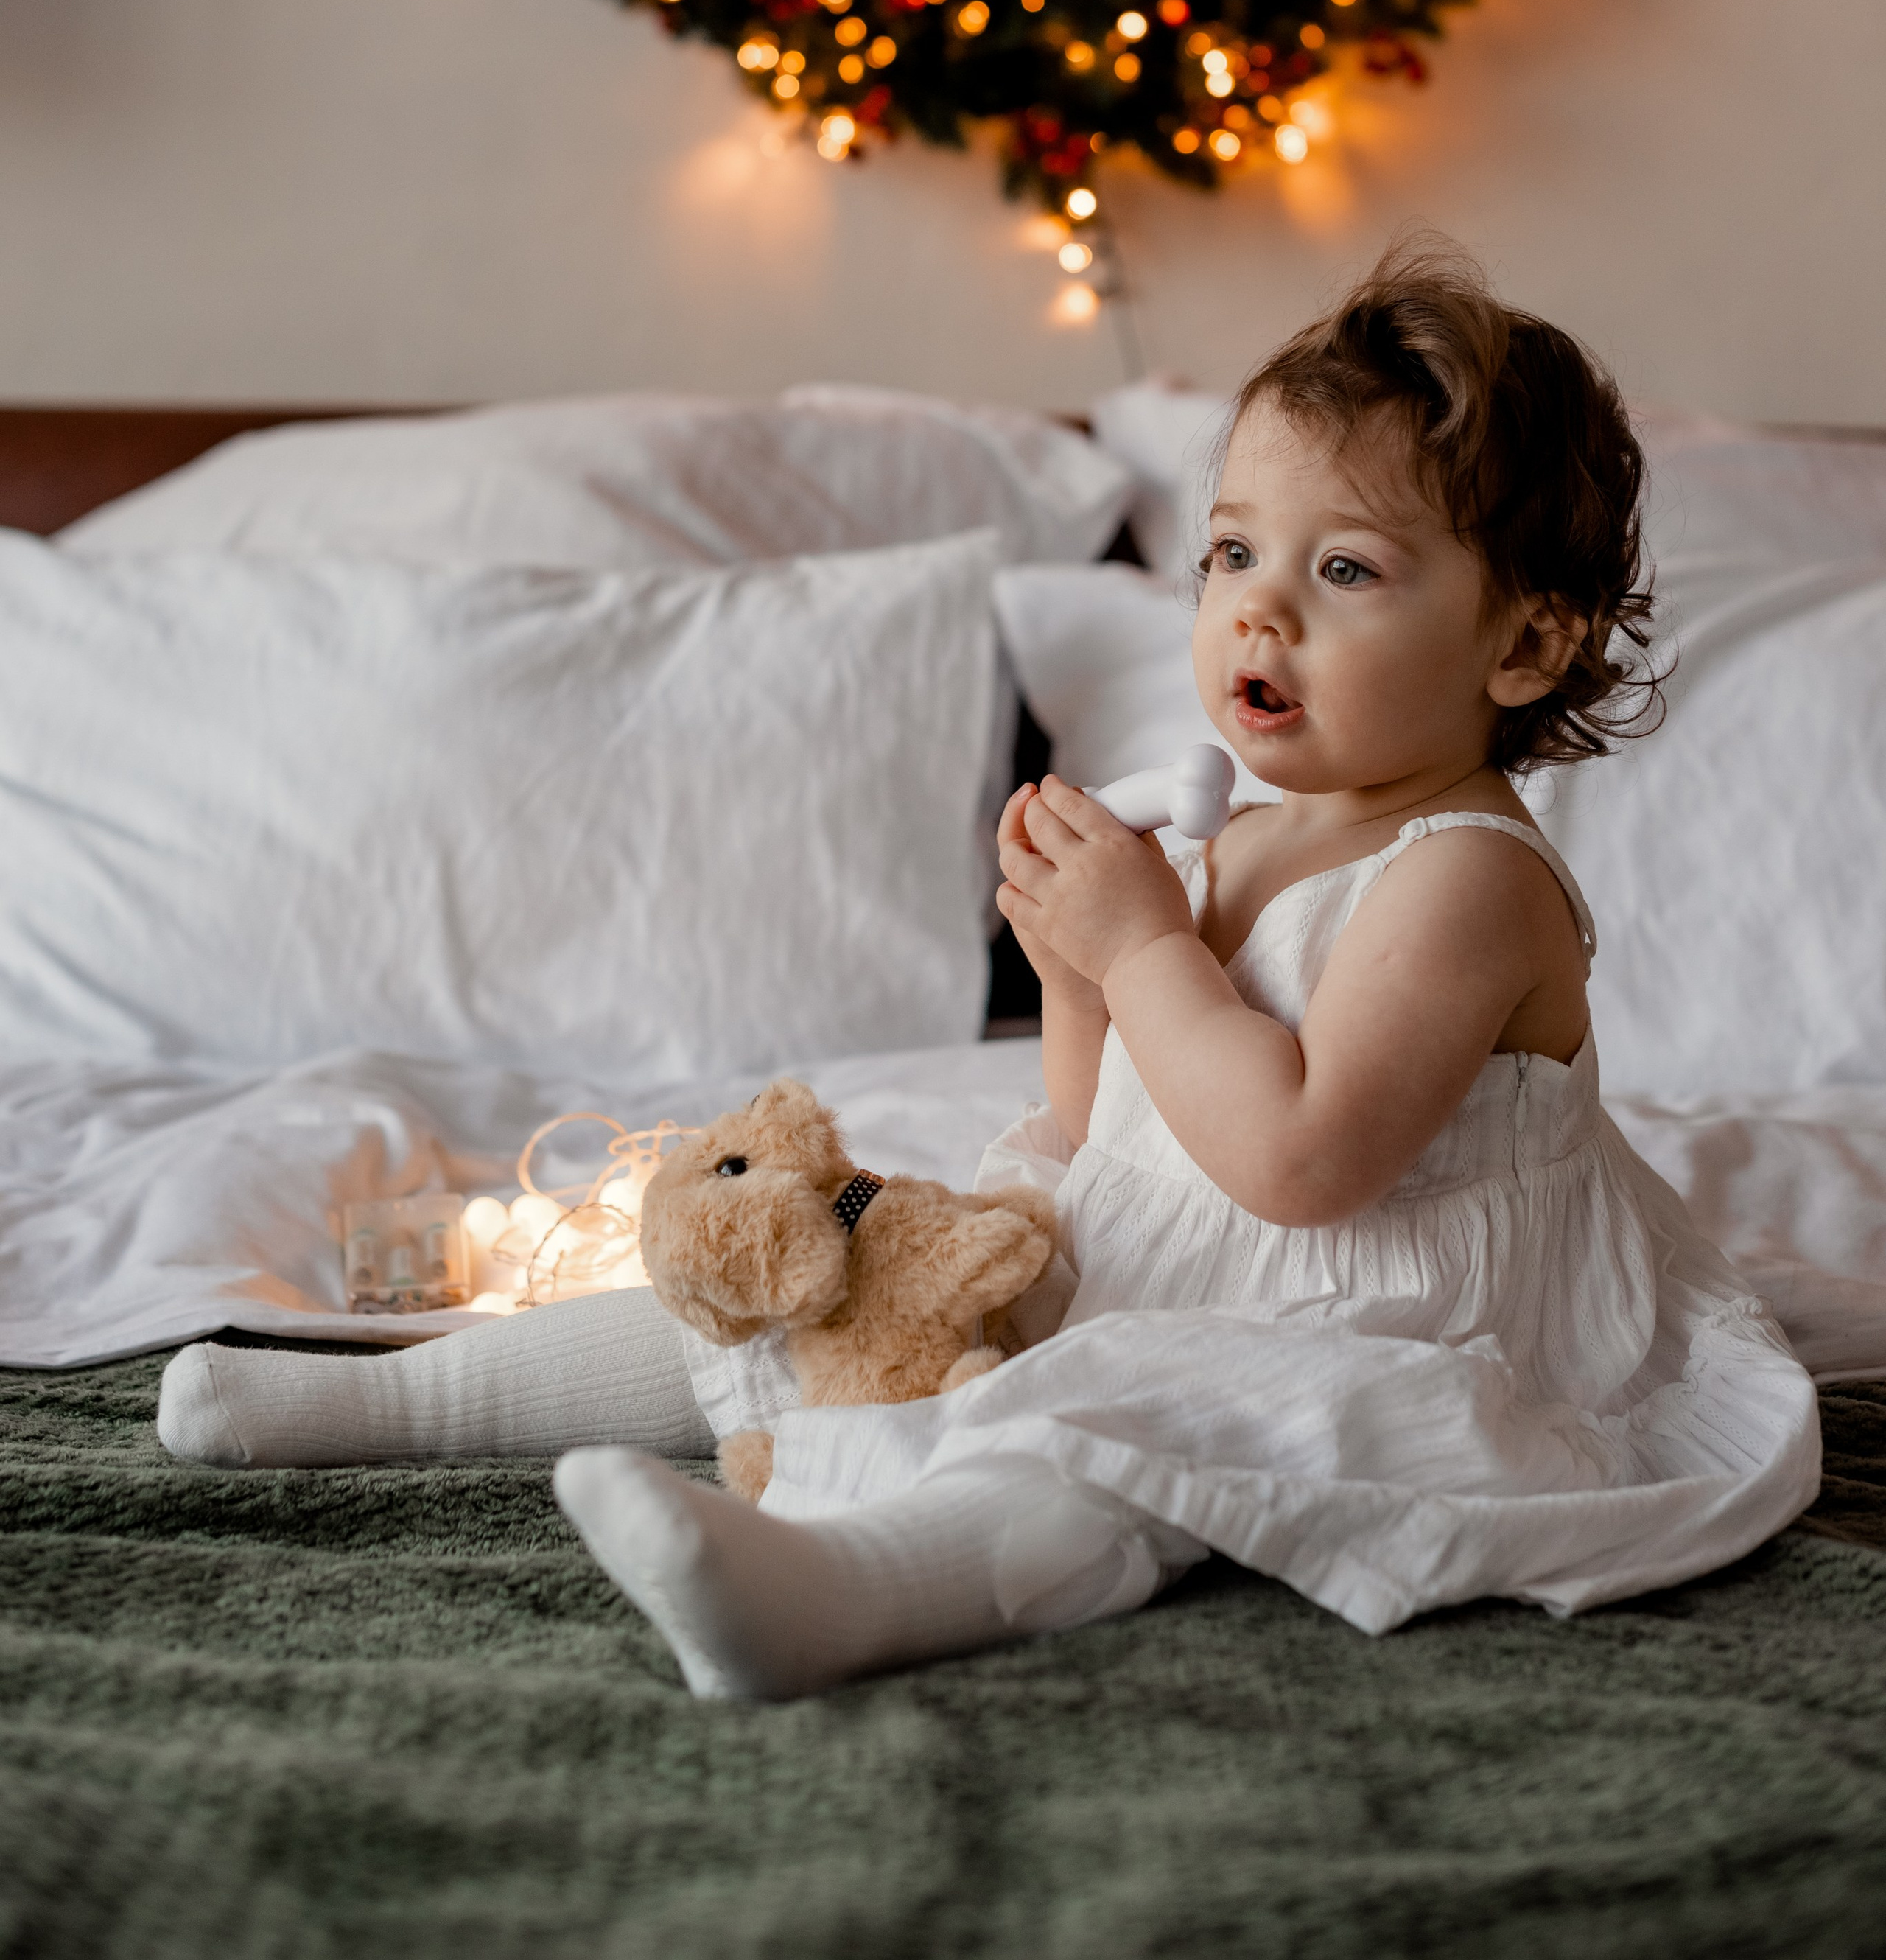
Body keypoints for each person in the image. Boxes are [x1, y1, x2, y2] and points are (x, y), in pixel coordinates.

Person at [159, 243, 1820, 1699]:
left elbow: (1301, 1164)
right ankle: (379, 1411)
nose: (1258, 616)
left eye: (1343, 571)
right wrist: (1082, 978)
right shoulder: (1244, 839)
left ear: (1521, 643)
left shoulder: (1466, 880)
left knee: (1113, 1430)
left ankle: (832, 1596)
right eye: (1232, 554)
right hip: (1186, 1260)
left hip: (1393, 1327)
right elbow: (1117, 1143)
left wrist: (1146, 945)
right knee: (818, 1278)